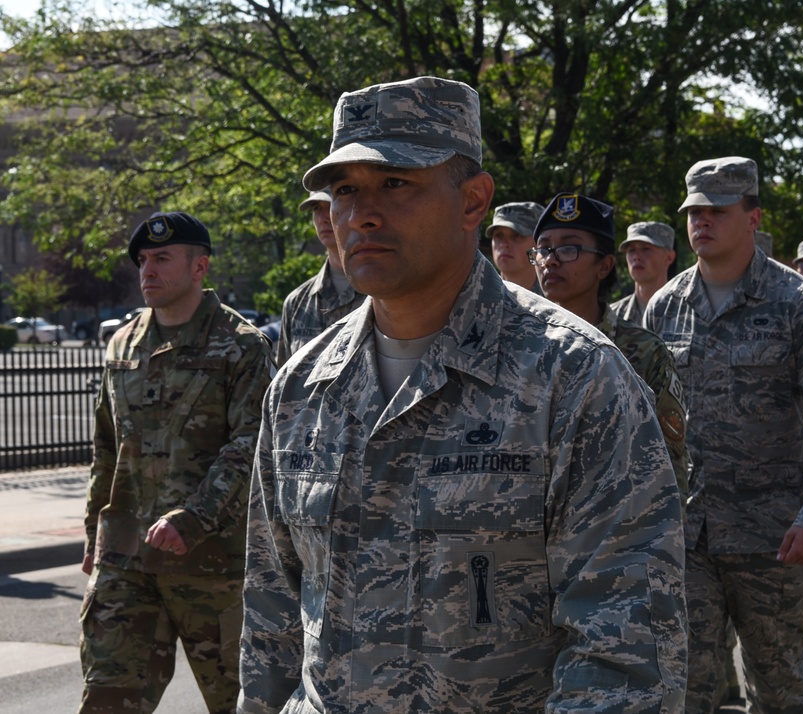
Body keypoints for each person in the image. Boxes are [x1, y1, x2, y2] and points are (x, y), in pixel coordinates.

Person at [239, 76, 688, 713]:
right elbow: (272, 622)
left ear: (474, 201)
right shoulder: (300, 390)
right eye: (344, 190)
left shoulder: (573, 374)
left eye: (396, 183)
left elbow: (626, 649)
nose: (361, 213)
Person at [644, 156, 803, 713]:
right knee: (681, 689)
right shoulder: (665, 307)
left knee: (782, 692)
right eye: (694, 210)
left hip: (774, 538)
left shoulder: (800, 306)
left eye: (717, 210)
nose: (702, 221)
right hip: (686, 537)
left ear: (752, 216)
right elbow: (643, 423)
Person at [79, 211, 274, 713]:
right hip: (126, 560)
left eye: (162, 258)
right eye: (143, 260)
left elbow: (250, 444)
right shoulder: (121, 344)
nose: (147, 270)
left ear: (199, 267)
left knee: (242, 702)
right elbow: (106, 445)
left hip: (212, 564)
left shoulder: (242, 345)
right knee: (108, 699)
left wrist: (193, 517)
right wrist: (91, 535)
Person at [531, 194, 690, 496]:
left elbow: (670, 469)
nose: (550, 259)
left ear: (603, 266)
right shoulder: (517, 347)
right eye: (543, 249)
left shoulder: (643, 353)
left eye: (568, 248)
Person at [275, 189, 367, 366]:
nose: (324, 217)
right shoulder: (297, 303)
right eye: (317, 208)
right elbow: (284, 381)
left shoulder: (383, 292)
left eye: (331, 205)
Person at [610, 221, 678, 323]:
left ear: (669, 257)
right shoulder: (612, 316)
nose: (636, 257)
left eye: (646, 249)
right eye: (631, 250)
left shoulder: (686, 313)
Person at [486, 201, 545, 292]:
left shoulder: (557, 298)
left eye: (516, 235)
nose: (504, 244)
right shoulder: (477, 294)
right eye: (498, 236)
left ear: (539, 244)